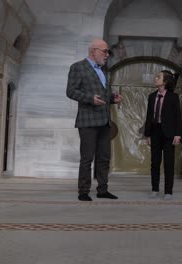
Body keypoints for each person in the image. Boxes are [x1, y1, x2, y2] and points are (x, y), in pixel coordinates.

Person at [66, 39, 123, 201]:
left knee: (104, 157)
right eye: (105, 51)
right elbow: (70, 91)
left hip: (104, 121)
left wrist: (113, 98)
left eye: (107, 52)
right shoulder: (78, 67)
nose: (107, 55)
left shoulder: (104, 71)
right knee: (87, 158)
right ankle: (83, 191)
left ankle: (102, 189)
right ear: (94, 51)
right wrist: (90, 99)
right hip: (88, 121)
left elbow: (102, 95)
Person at [143, 70, 182, 200]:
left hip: (169, 133)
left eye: (158, 77)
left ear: (164, 82)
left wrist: (178, 134)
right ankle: (154, 189)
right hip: (155, 132)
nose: (155, 78)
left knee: (169, 163)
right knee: (155, 162)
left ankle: (168, 191)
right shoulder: (152, 96)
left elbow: (178, 117)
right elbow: (148, 117)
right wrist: (147, 135)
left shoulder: (173, 97)